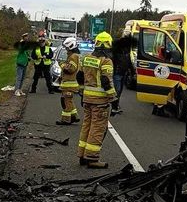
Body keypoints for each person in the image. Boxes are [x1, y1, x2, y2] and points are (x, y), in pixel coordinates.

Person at [78, 31, 115, 168]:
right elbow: (106, 81)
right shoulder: (106, 61)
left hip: (87, 99)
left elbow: (80, 77)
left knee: (86, 126)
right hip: (100, 102)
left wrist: (82, 92)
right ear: (108, 44)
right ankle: (92, 158)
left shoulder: (86, 58)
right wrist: (113, 98)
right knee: (97, 128)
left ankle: (82, 155)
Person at [56, 36, 81, 126]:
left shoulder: (73, 56)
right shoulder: (73, 56)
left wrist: (62, 65)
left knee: (66, 102)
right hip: (68, 83)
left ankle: (66, 120)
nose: (66, 50)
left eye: (67, 48)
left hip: (70, 84)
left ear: (71, 46)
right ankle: (75, 116)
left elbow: (71, 69)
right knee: (69, 101)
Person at [110, 28, 132, 115]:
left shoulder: (127, 47)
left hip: (124, 72)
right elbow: (113, 58)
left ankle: (116, 105)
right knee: (117, 90)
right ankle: (114, 107)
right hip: (117, 71)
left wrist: (132, 70)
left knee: (119, 90)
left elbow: (128, 59)